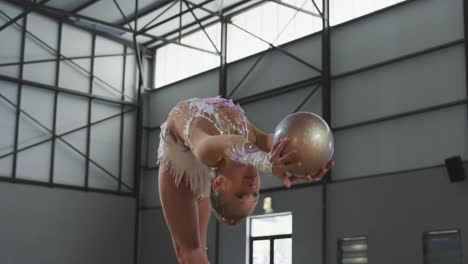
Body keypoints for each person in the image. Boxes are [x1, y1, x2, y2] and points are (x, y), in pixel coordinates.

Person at [157, 96, 334, 264]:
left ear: (218, 183)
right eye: (255, 194)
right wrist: (305, 162)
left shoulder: (205, 151)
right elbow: (271, 140)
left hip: (177, 158)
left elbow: (231, 142)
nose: (251, 186)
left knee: (191, 253)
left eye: (241, 195)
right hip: (219, 164)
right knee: (199, 251)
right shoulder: (250, 140)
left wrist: (265, 162)